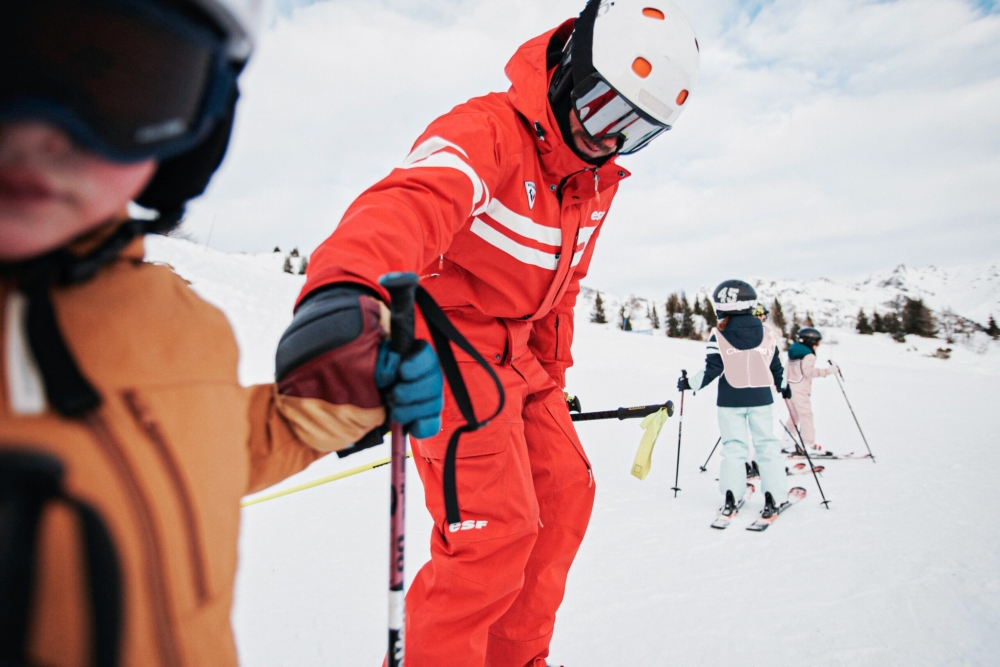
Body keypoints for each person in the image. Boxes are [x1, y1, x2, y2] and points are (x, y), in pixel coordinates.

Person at [0, 2, 442, 664]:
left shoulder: (180, 323)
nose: (44, 133)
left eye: (118, 87)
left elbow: (205, 446)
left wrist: (326, 408)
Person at [281, 1, 700, 664]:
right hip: (447, 343)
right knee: (492, 534)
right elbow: (412, 202)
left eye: (635, 131)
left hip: (519, 357)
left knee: (565, 495)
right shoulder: (488, 131)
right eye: (603, 111)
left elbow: (562, 289)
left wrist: (550, 385)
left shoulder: (595, 180)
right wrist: (346, 291)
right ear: (571, 69)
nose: (608, 140)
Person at [677, 280, 791, 521]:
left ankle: (731, 495)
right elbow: (776, 366)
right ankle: (775, 496)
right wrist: (782, 386)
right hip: (761, 398)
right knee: (767, 446)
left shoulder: (718, 334)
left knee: (733, 448)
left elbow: (712, 369)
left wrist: (689, 383)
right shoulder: (767, 333)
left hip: (730, 400)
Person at [785, 327, 839, 453]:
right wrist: (828, 371)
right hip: (800, 389)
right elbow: (808, 372)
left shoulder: (794, 352)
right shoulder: (808, 355)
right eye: (818, 342)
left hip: (789, 388)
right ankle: (808, 444)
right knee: (806, 415)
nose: (817, 345)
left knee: (794, 416)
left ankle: (786, 442)